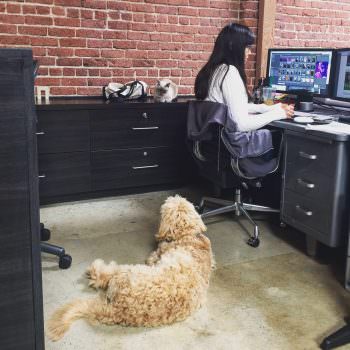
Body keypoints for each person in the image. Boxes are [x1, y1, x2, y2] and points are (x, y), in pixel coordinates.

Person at [194, 23, 294, 132]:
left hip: (212, 143)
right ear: (233, 46)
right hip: (229, 145)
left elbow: (234, 106)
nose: (249, 52)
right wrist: (278, 114)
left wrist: (267, 108)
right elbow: (240, 124)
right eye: (247, 47)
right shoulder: (229, 72)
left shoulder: (216, 70)